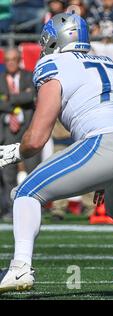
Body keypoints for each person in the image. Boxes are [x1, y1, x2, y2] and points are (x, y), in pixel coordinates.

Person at [0, 13, 113, 297]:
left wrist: (13, 151)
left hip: (104, 143)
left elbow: (36, 138)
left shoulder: (52, 63)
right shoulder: (108, 63)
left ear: (55, 40)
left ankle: (21, 266)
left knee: (26, 192)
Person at [0, 48, 41, 222]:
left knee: (33, 170)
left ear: (19, 60)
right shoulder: (0, 78)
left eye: (14, 59)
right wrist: (19, 98)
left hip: (28, 130)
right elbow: (24, 98)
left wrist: (7, 98)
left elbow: (31, 96)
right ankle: (9, 209)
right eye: (7, 59)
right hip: (7, 130)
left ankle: (35, 208)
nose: (11, 62)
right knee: (7, 173)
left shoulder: (28, 76)